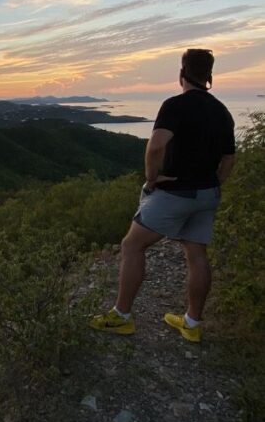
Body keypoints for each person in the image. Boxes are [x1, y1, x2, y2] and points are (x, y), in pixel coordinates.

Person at [90, 48, 236, 343]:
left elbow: (156, 146)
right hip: (208, 192)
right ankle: (192, 323)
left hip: (176, 192)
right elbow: (229, 159)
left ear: (182, 74)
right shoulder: (222, 111)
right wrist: (213, 183)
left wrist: (152, 178)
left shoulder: (175, 105)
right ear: (210, 76)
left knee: (131, 245)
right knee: (196, 254)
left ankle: (121, 317)